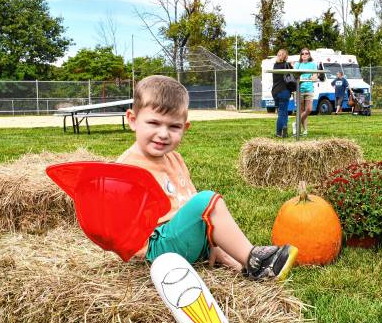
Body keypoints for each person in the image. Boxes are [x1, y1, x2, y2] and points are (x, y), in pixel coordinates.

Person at [117, 75, 297, 280]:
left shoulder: (175, 159)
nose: (163, 133)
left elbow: (190, 204)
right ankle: (255, 262)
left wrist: (211, 244)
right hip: (155, 252)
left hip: (179, 240)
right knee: (206, 201)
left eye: (173, 127)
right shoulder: (126, 168)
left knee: (204, 206)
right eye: (153, 123)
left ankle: (236, 261)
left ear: (185, 128)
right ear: (132, 120)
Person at [293, 48, 318, 136]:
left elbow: (315, 77)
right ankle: (305, 130)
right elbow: (295, 76)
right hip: (299, 89)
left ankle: (296, 123)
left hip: (309, 89)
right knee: (301, 110)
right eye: (302, 53)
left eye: (306, 53)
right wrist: (302, 78)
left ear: (309, 55)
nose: (304, 55)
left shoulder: (313, 64)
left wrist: (313, 78)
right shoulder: (297, 64)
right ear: (300, 55)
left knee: (309, 109)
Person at [271, 49, 293, 137]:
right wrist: (291, 65)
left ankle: (278, 132)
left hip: (275, 92)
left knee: (281, 112)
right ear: (286, 56)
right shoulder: (286, 65)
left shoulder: (275, 65)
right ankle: (284, 128)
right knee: (283, 112)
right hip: (284, 91)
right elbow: (293, 75)